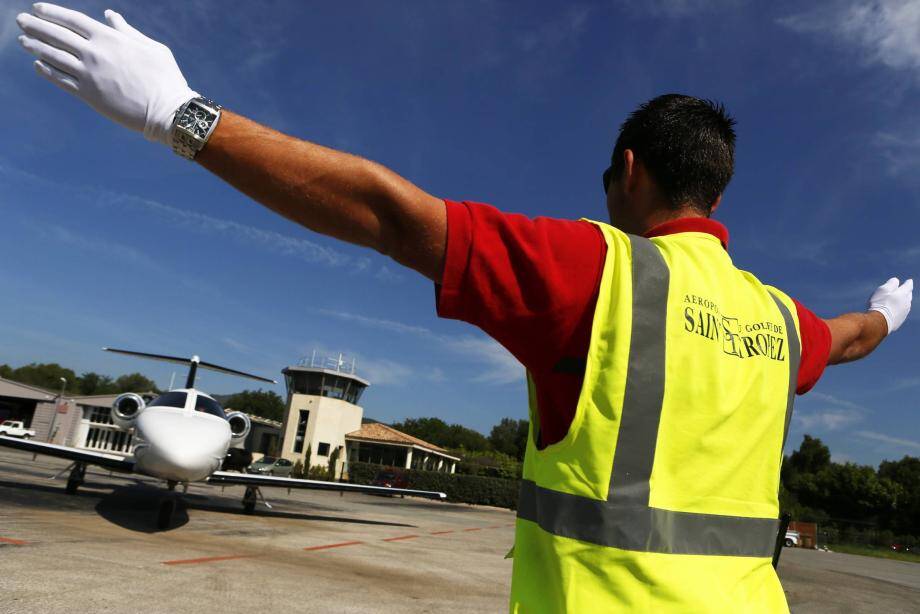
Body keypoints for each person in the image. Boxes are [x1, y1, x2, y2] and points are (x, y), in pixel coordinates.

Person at [14, 4, 913, 612]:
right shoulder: (780, 323)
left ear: (629, 170)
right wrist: (886, 314)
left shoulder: (596, 271)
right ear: (717, 194)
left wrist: (179, 115)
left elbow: (389, 215)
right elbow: (853, 338)